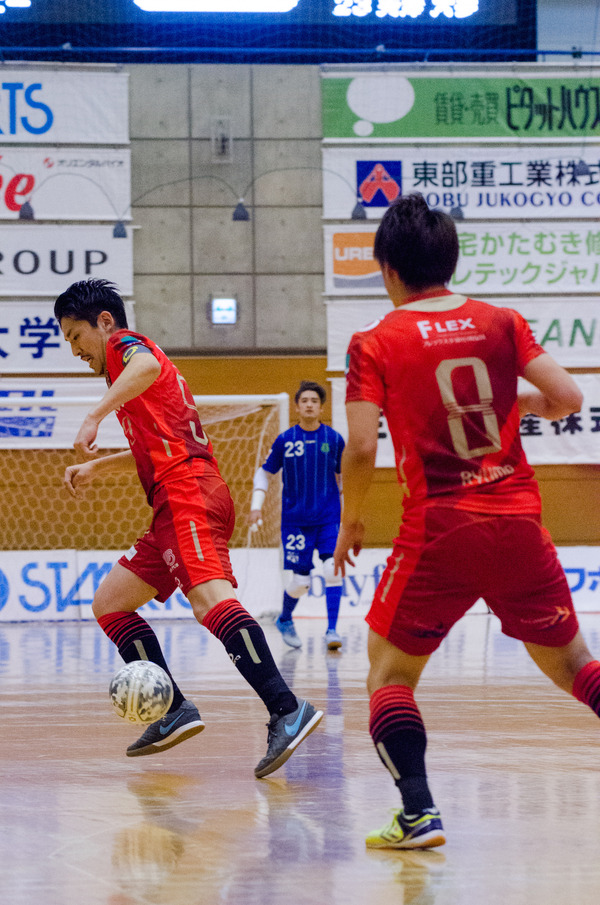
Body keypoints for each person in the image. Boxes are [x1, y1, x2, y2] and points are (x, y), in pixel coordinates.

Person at [333, 193, 600, 850]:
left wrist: (351, 521)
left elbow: (363, 447)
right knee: (573, 665)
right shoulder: (501, 321)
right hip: (517, 518)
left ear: (388, 269)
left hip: (440, 528)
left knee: (389, 673)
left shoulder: (374, 340)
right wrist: (517, 399)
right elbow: (567, 398)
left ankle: (418, 812)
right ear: (449, 260)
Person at [54, 279, 323, 778]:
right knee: (110, 604)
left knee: (209, 600)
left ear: (105, 323)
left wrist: (94, 415)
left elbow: (149, 363)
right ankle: (173, 708)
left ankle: (286, 708)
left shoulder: (124, 349)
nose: (75, 350)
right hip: (174, 502)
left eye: (75, 336)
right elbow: (148, 449)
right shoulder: (131, 384)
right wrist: (97, 468)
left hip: (188, 494)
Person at [249, 380, 345, 651]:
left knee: (331, 570)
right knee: (301, 582)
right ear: (297, 406)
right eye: (305, 401)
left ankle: (332, 630)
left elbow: (344, 477)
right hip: (295, 521)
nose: (310, 405)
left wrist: (348, 512)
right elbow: (264, 472)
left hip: (328, 517)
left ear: (321, 406)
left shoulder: (334, 440)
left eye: (315, 401)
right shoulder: (286, 440)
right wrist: (257, 503)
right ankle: (285, 618)